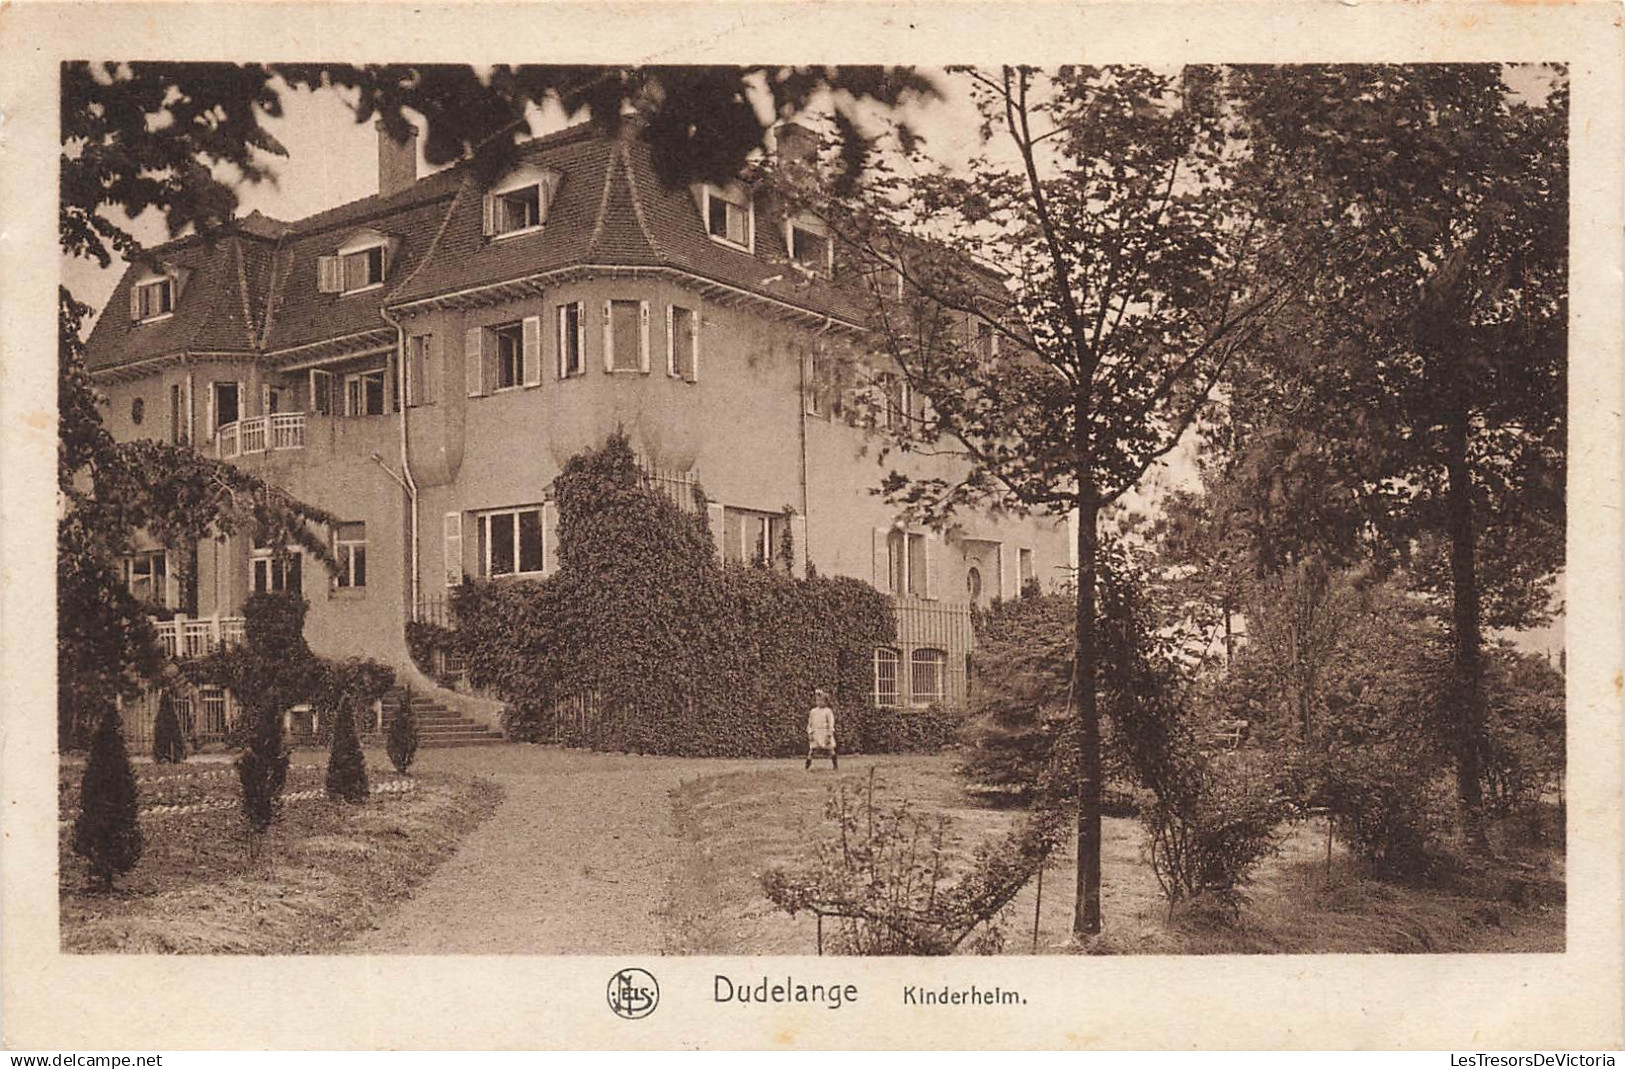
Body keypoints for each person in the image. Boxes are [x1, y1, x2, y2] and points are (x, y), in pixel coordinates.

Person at [805, 689, 837, 771]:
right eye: (817, 700)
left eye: (821, 701)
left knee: (830, 749)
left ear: (826, 702)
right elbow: (810, 723)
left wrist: (829, 735)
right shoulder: (813, 711)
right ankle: (807, 766)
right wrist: (810, 733)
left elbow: (831, 724)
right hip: (816, 733)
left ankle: (835, 766)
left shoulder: (828, 711)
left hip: (825, 733)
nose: (819, 702)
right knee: (812, 750)